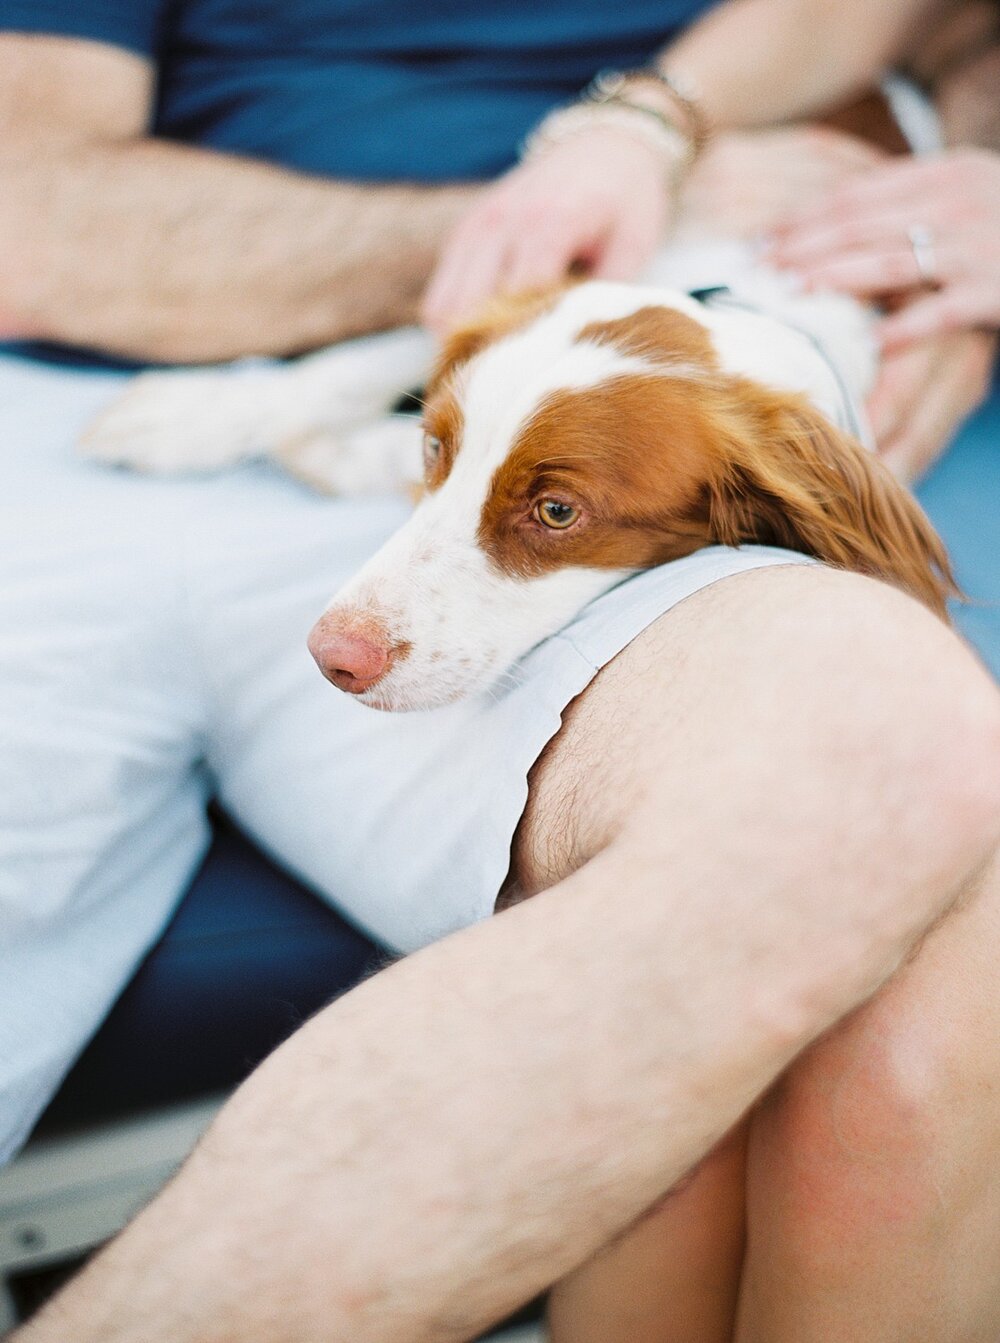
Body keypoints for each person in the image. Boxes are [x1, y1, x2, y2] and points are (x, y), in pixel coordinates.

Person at [1, 3, 999, 1343]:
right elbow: (28, 217)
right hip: (99, 435)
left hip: (572, 404)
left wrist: (949, 212)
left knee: (898, 785)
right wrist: (551, 244)